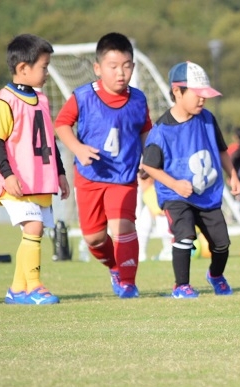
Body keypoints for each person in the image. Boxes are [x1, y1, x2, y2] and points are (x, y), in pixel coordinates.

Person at [55, 32, 153, 299]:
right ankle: (114, 268)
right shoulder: (83, 96)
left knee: (123, 227)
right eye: (113, 67)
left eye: (127, 65)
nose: (121, 73)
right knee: (94, 239)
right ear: (98, 68)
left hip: (123, 176)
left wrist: (150, 161)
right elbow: (62, 124)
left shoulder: (139, 99)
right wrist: (78, 148)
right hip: (89, 177)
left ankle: (129, 284)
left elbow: (146, 132)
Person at [141, 61, 240, 298]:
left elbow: (221, 150)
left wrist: (233, 175)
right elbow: (148, 165)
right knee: (185, 236)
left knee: (222, 244)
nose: (202, 100)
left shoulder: (207, 118)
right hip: (176, 195)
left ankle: (215, 275)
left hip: (207, 194)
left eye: (205, 95)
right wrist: (175, 184)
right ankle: (181, 286)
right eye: (197, 95)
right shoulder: (162, 130)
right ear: (177, 91)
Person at [0, 34, 70, 304]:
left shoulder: (43, 100)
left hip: (40, 181)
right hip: (17, 182)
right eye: (44, 67)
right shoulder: (3, 101)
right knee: (33, 227)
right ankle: (34, 287)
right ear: (23, 68)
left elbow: (50, 141)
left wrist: (60, 173)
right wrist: (7, 174)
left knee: (34, 232)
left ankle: (16, 289)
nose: (47, 72)